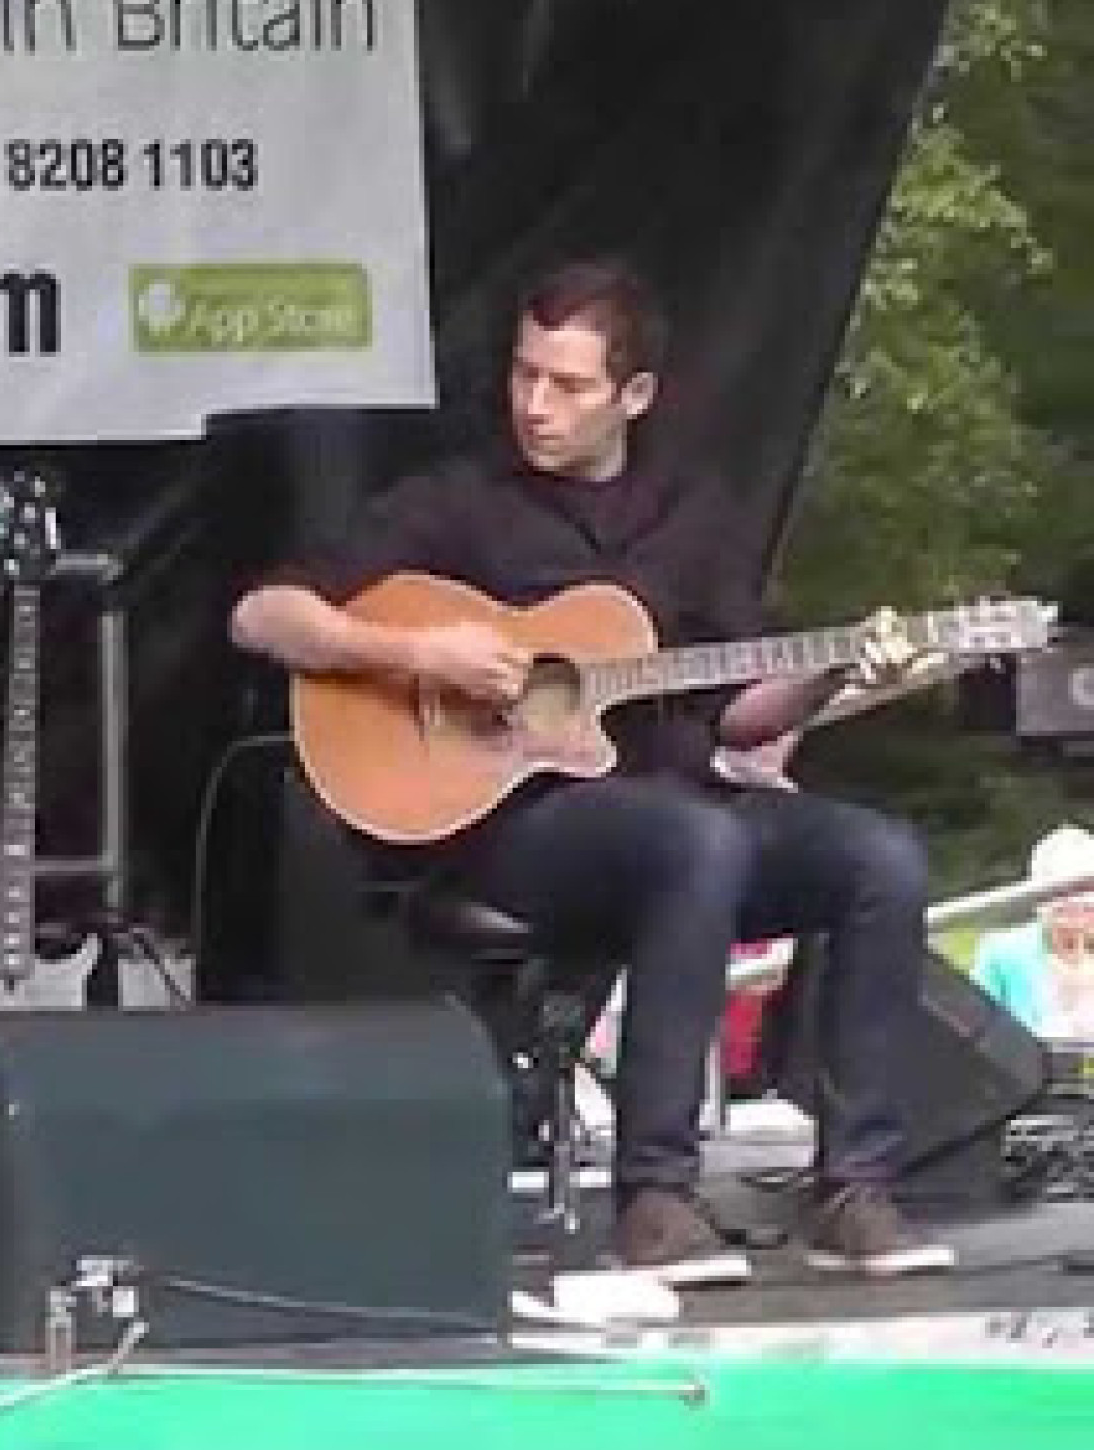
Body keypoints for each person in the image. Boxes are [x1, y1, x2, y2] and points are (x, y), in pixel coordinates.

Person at [229, 259, 956, 1286]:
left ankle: (854, 1189)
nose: (536, 404)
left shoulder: (694, 515)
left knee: (880, 857)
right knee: (696, 840)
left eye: (567, 385)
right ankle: (655, 1200)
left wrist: (832, 672)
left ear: (635, 394)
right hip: (516, 829)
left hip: (676, 804)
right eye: (525, 374)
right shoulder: (458, 503)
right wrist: (417, 654)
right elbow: (262, 616)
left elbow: (737, 713)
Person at [972, 825, 1094, 1042]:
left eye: (1086, 888)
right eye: (1061, 889)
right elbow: (977, 1035)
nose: (1075, 901)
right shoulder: (1000, 954)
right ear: (1036, 894)